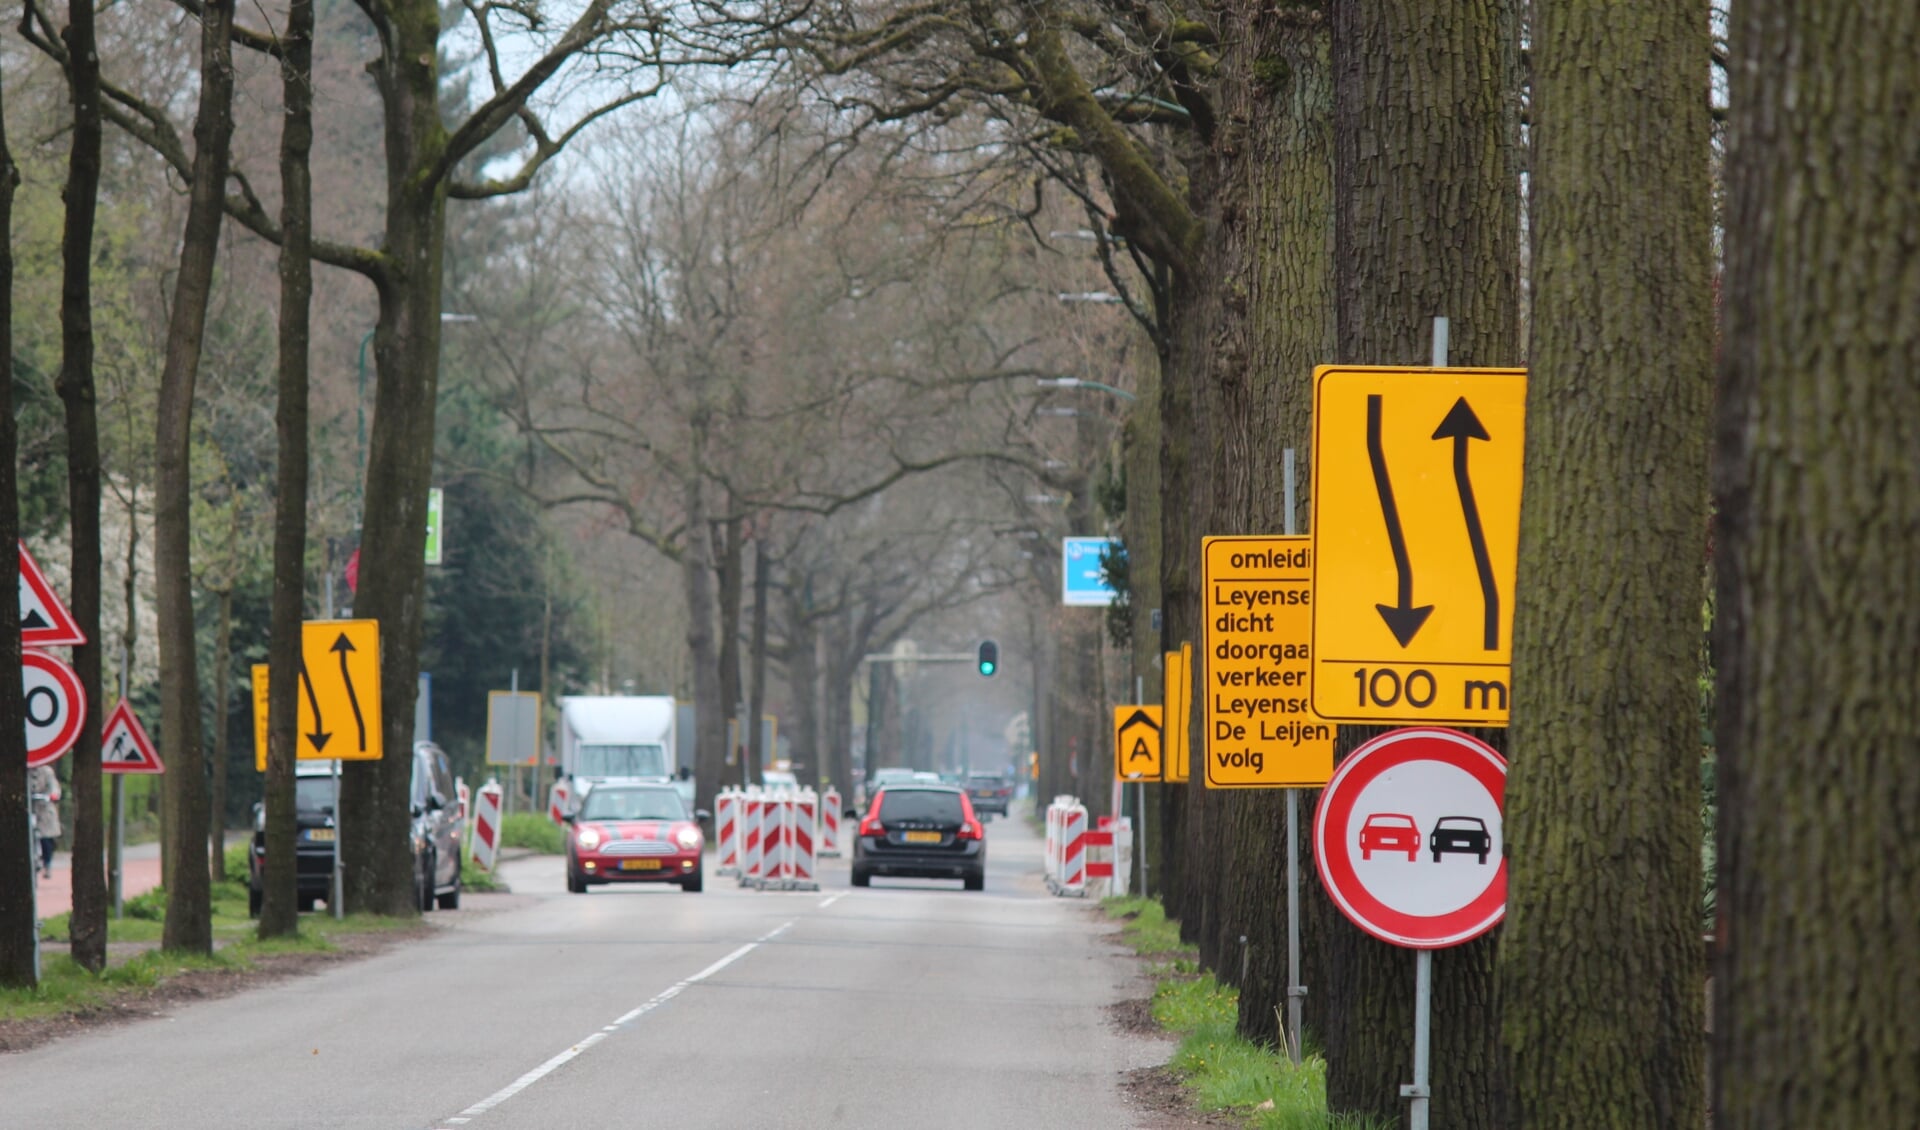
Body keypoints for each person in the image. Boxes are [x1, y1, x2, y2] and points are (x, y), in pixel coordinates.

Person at [29, 764, 61, 879]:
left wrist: (53, 795)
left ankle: (47, 863)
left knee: (47, 835)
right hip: (27, 808)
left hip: (44, 806)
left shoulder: (47, 771)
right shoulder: (20, 769)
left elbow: (54, 786)